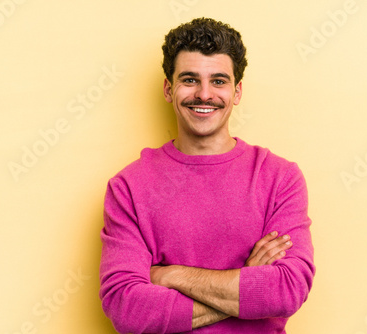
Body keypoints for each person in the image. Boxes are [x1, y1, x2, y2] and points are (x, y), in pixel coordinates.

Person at [99, 17, 315, 333]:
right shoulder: (129, 187)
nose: (204, 94)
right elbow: (126, 308)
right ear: (168, 89)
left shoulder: (279, 178)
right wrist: (245, 284)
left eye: (218, 81)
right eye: (189, 79)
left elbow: (286, 290)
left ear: (237, 91)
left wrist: (171, 275)